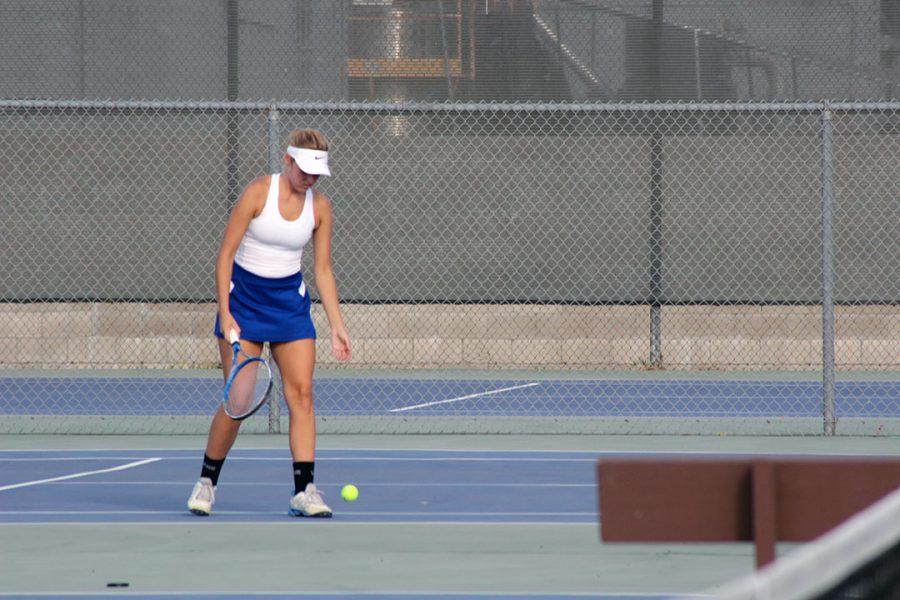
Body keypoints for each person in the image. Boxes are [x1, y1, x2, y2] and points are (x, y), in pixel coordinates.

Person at [187, 128, 351, 518]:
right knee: (239, 401)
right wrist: (225, 313)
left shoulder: (321, 208)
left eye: (316, 173)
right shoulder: (258, 193)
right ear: (288, 161)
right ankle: (206, 482)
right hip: (243, 304)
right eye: (304, 170)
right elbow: (225, 256)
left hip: (289, 309)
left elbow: (323, 270)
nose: (309, 179)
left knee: (303, 396)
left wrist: (337, 324)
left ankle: (304, 491)